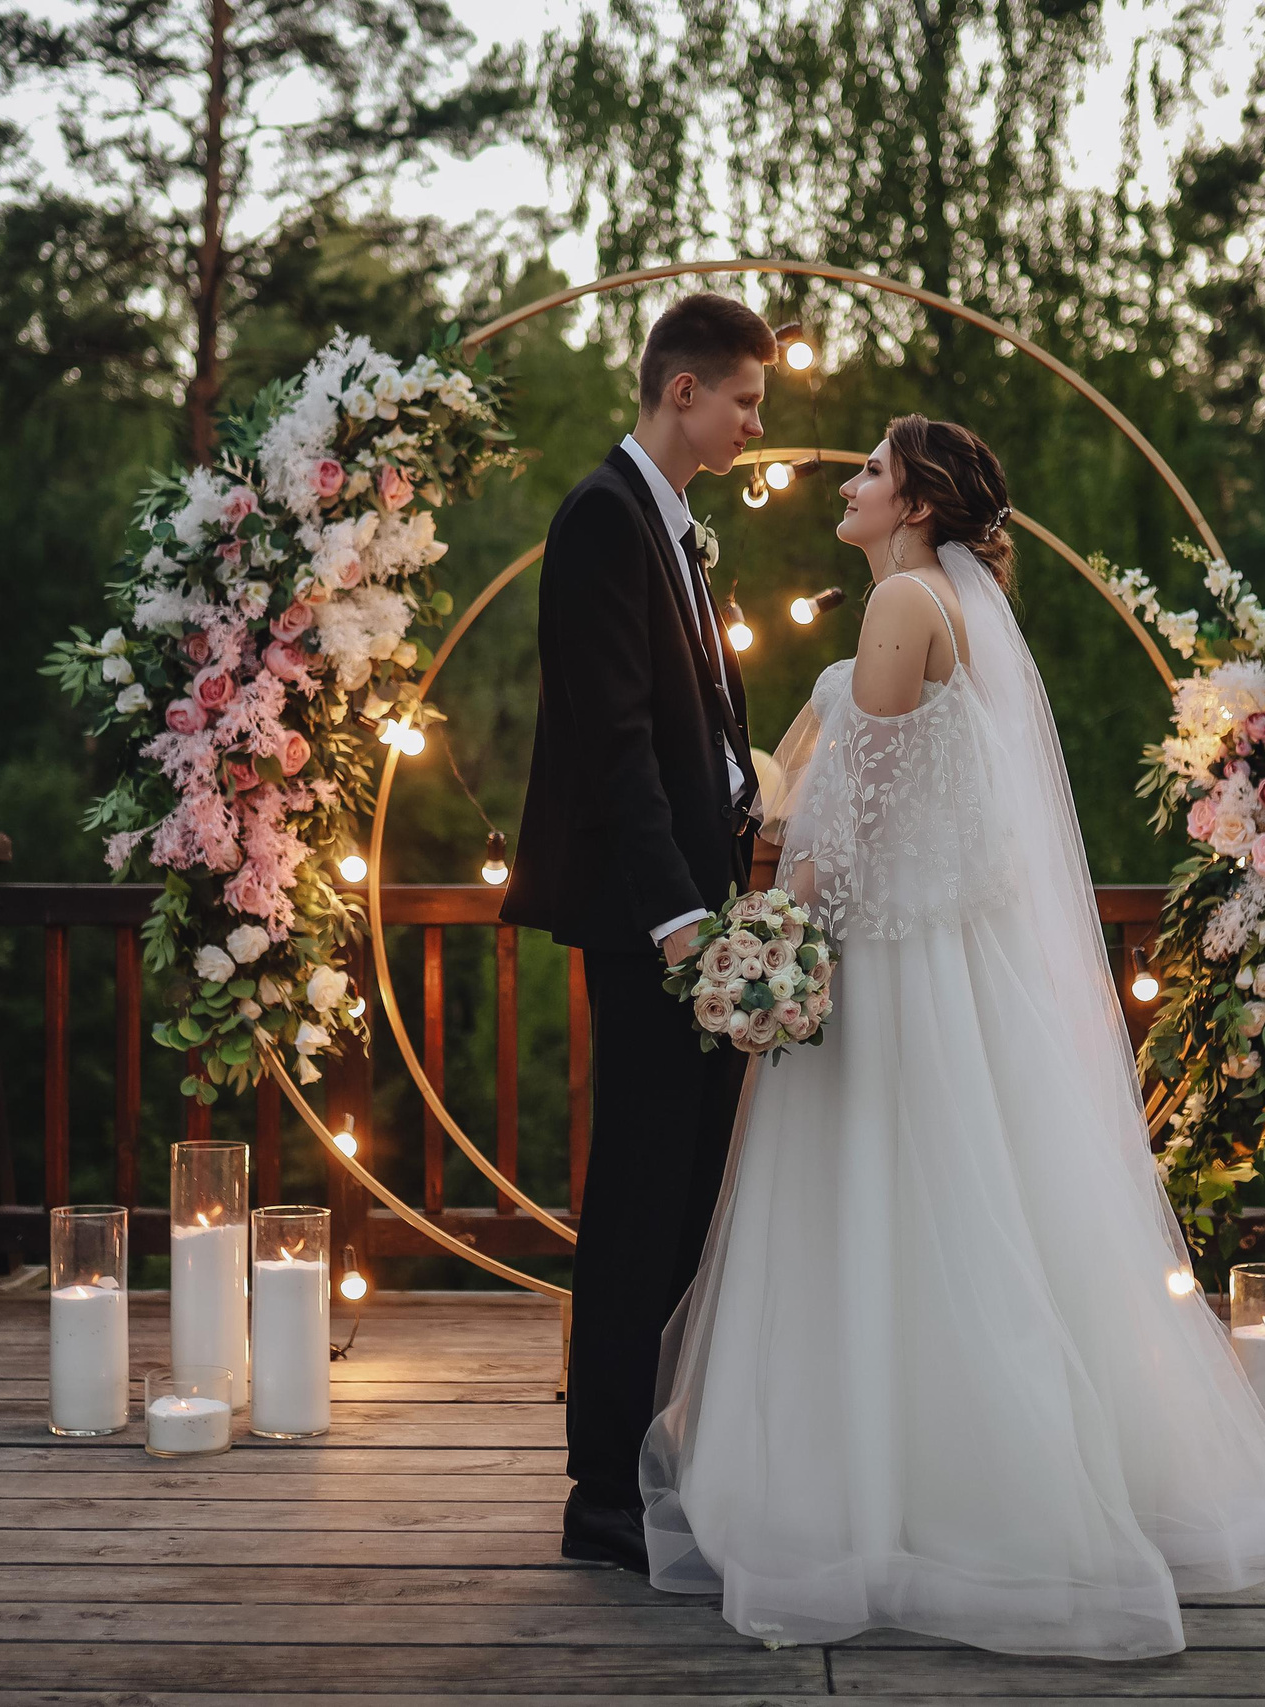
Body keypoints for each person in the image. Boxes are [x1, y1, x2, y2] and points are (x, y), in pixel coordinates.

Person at [638, 416, 1265, 1659]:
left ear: (914, 503)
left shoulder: (901, 608)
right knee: (960, 1207)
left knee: (894, 1203)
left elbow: (859, 806)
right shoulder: (927, 603)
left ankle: (908, 1502)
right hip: (933, 948)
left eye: (868, 470)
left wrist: (783, 940)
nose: (847, 486)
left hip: (895, 962)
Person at [501, 291, 775, 1573]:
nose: (751, 426)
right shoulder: (603, 521)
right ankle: (599, 1487)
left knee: (681, 1203)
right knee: (637, 1202)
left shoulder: (672, 531)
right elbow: (613, 747)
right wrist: (679, 927)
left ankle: (651, 1452)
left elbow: (690, 737)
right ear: (682, 392)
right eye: (745, 402)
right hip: (651, 927)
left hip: (701, 912)